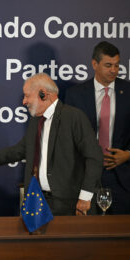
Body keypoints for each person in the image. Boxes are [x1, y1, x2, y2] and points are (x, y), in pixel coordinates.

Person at [0, 73, 103, 216]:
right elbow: (19, 151)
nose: (24, 101)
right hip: (38, 202)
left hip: (71, 204)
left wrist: (85, 197)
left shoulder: (73, 117)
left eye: (27, 96)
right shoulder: (35, 121)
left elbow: (95, 157)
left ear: (43, 94)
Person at [65, 41, 130, 214]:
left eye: (117, 65)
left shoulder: (128, 91)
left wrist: (128, 154)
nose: (114, 70)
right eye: (108, 65)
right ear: (94, 64)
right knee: (89, 233)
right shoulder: (75, 95)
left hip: (122, 176)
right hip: (85, 176)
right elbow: (68, 137)